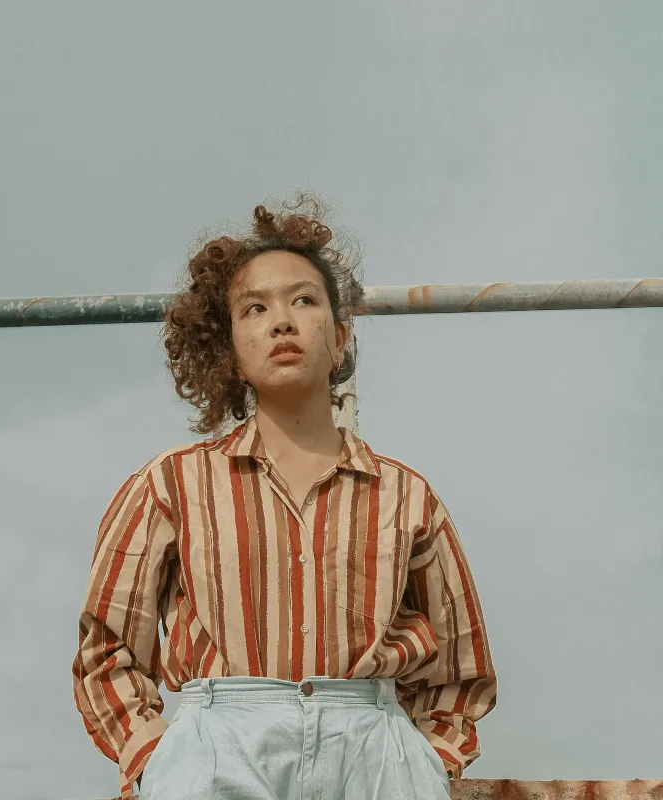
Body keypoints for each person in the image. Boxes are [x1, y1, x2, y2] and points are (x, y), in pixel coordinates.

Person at [72, 192, 497, 800]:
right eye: (254, 309)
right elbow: (106, 647)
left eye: (304, 300)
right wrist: (157, 758)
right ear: (230, 351)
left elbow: (462, 664)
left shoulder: (407, 496)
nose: (282, 321)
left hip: (374, 747)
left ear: (341, 336)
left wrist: (428, 762)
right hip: (216, 745)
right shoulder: (170, 485)